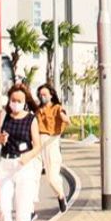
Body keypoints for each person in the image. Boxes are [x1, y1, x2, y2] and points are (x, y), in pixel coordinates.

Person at [0, 82, 46, 221]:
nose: (15, 103)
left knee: (22, 210)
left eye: (19, 100)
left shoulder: (31, 119)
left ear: (25, 101)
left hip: (23, 166)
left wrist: (27, 157)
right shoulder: (3, 115)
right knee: (3, 207)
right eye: (13, 100)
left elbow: (37, 145)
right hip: (5, 164)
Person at [35, 82, 72, 212]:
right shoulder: (38, 110)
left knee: (51, 178)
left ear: (51, 95)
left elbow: (65, 119)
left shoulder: (57, 108)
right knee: (33, 176)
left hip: (51, 142)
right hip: (37, 143)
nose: (42, 96)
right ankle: (30, 208)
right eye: (40, 95)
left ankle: (61, 195)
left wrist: (64, 118)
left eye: (44, 94)